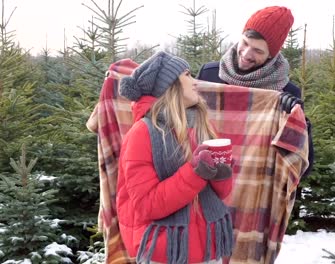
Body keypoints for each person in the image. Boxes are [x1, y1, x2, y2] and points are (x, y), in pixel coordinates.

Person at [116, 51, 234, 264]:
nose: (195, 81)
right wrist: (196, 173)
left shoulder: (204, 126)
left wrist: (222, 175)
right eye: (187, 75)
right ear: (170, 85)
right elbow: (146, 206)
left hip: (208, 246)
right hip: (166, 251)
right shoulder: (142, 133)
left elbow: (222, 194)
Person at [197, 5, 314, 175]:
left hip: (252, 185)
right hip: (208, 180)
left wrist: (301, 124)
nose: (246, 54)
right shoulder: (209, 74)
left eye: (257, 50)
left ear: (270, 55)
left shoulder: (285, 92)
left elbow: (302, 165)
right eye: (245, 43)